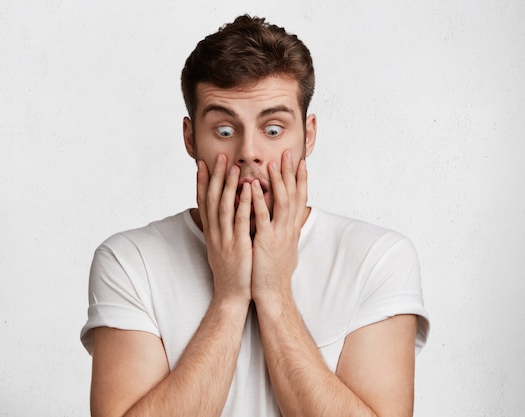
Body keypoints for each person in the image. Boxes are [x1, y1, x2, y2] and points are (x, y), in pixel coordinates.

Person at [81, 14, 429, 417]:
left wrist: (275, 295)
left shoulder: (378, 258)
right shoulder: (129, 261)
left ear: (309, 135)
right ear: (191, 139)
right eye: (225, 131)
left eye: (274, 129)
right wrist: (229, 298)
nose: (249, 152)